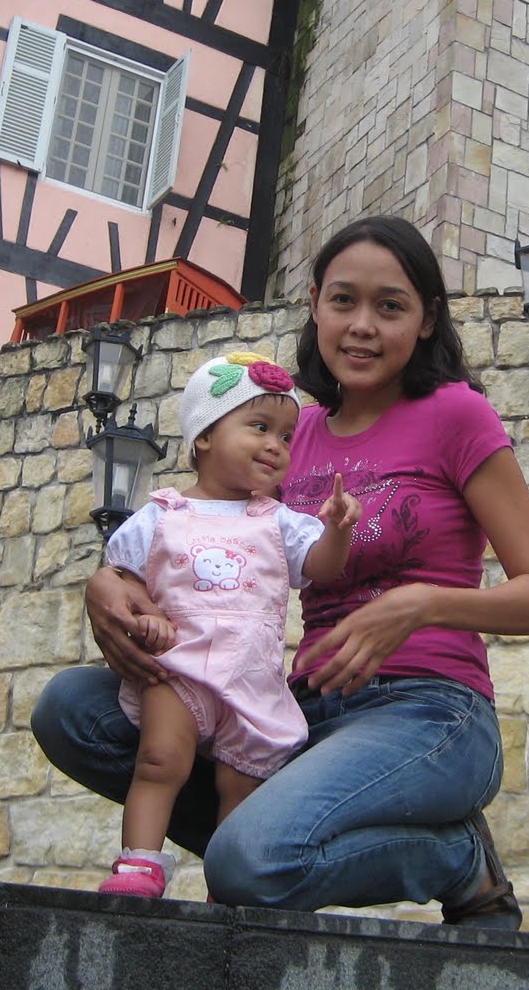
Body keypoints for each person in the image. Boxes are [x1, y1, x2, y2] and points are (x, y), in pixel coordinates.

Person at [32, 215, 529, 929]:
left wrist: (419, 605)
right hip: (298, 708)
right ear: (315, 304)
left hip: (429, 710)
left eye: (390, 306)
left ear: (426, 320)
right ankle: (251, 841)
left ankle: (456, 858)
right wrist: (110, 582)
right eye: (343, 301)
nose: (362, 326)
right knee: (73, 710)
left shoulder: (456, 415)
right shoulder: (291, 433)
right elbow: (202, 529)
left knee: (248, 864)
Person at [92, 351, 359, 898]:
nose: (275, 445)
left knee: (241, 785)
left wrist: (336, 531)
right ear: (205, 436)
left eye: (285, 436)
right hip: (179, 668)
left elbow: (323, 568)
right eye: (259, 427)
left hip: (251, 677)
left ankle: (227, 883)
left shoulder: (280, 521)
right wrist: (147, 619)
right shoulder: (161, 515)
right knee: (158, 760)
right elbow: (122, 583)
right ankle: (138, 864)